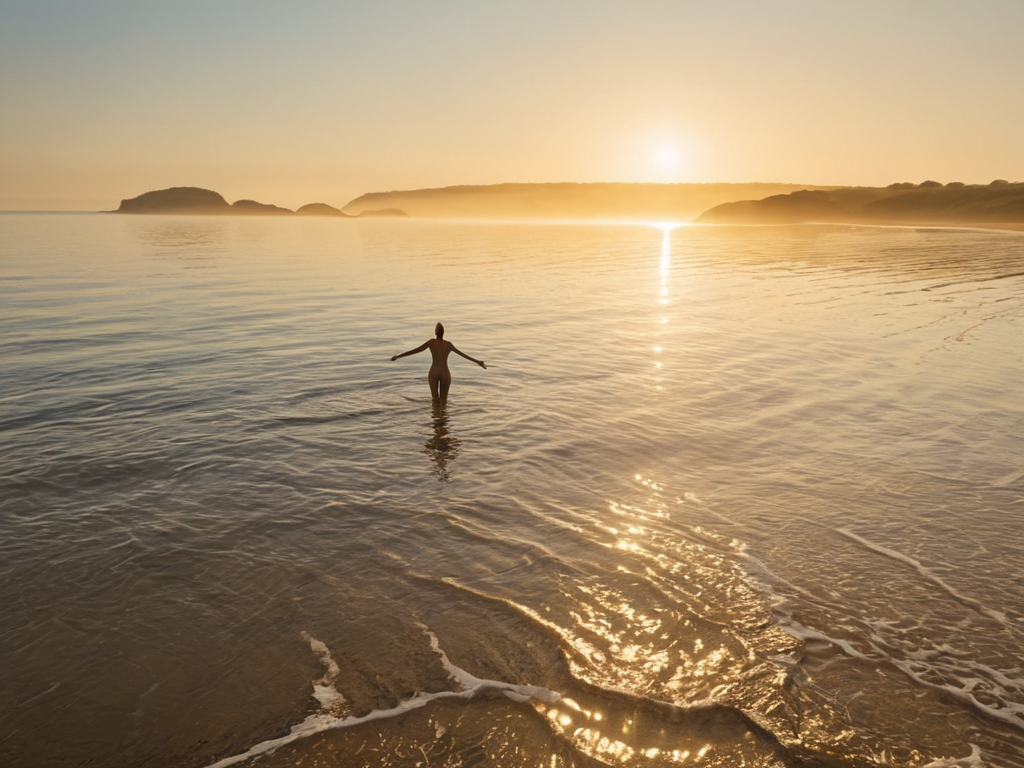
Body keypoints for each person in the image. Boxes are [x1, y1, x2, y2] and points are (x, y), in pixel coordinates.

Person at [391, 323, 486, 404]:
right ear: (443, 333)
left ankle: (436, 418)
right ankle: (443, 418)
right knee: (443, 401)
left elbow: (416, 350)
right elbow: (463, 355)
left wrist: (398, 356)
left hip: (434, 372)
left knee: (435, 400)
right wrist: (478, 362)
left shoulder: (431, 342)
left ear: (435, 332)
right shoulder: (448, 345)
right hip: (445, 372)